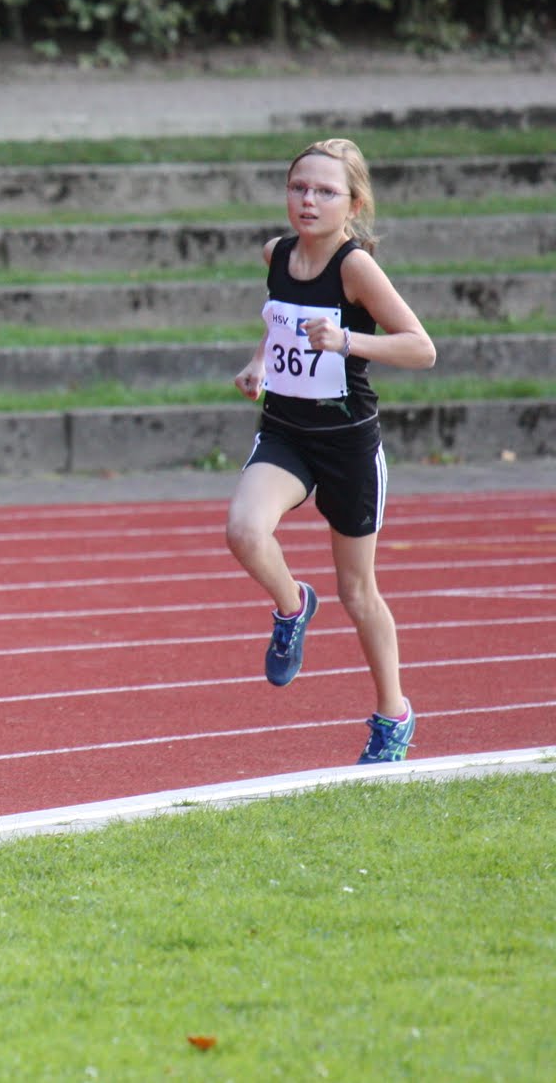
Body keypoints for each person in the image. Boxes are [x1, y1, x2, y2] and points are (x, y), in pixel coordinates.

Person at [226, 137, 436, 764]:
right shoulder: (276, 253)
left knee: (357, 591)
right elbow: (279, 320)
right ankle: (292, 606)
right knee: (244, 531)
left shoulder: (355, 268)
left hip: (347, 445)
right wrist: (260, 363)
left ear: (353, 204)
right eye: (299, 188)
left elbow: (421, 348)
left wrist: (347, 341)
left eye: (325, 191)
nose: (308, 201)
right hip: (286, 432)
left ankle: (393, 714)